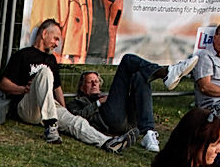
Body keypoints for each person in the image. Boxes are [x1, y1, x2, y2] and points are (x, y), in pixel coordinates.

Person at [0, 18, 135, 150]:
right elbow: (4, 85)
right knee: (45, 72)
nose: (57, 44)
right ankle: (51, 127)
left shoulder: (51, 59)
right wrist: (23, 89)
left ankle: (107, 142)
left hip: (50, 106)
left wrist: (65, 111)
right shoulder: (23, 55)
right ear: (44, 33)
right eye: (55, 38)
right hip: (28, 106)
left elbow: (57, 88)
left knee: (76, 122)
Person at [69, 53, 199, 153]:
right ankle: (166, 73)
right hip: (110, 122)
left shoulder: (108, 96)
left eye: (96, 81)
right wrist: (98, 103)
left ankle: (148, 133)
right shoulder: (77, 101)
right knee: (127, 60)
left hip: (130, 123)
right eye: (89, 82)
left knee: (140, 76)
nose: (94, 84)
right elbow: (76, 117)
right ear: (81, 87)